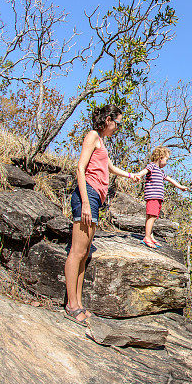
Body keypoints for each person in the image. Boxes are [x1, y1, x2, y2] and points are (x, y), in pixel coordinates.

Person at [63, 104, 139, 326]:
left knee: (84, 253)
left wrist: (129, 175)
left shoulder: (101, 142)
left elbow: (110, 167)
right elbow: (80, 168)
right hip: (87, 196)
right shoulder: (93, 135)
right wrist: (85, 202)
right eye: (117, 122)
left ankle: (78, 303)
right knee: (77, 252)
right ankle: (72, 305)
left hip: (95, 197)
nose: (118, 127)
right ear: (107, 119)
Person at [133, 146, 188, 248]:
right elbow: (144, 171)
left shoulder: (160, 171)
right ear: (160, 157)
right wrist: (138, 175)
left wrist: (180, 187)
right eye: (166, 160)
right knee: (151, 216)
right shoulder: (152, 166)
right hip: (153, 196)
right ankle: (147, 237)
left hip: (157, 197)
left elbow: (170, 179)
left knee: (151, 217)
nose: (166, 163)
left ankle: (150, 236)